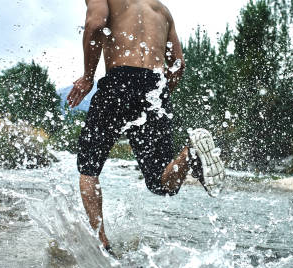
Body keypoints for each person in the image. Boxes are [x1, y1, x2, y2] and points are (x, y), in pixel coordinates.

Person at [67, 0, 224, 252]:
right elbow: (178, 65)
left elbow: (95, 24)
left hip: (118, 82)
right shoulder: (161, 10)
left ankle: (101, 243)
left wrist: (88, 77)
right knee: (162, 184)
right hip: (155, 87)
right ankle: (190, 152)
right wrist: (159, 97)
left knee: (89, 166)